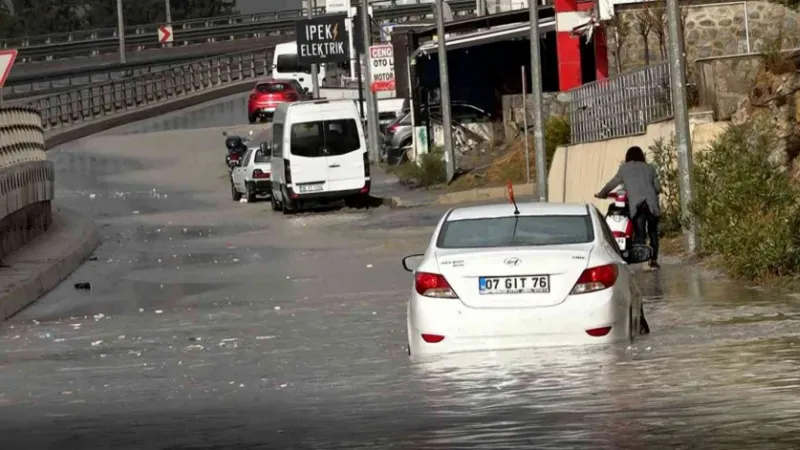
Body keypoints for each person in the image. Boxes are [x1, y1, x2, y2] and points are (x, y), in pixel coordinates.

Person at [594, 146, 661, 269]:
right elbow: (658, 188)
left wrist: (602, 194)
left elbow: (612, 183)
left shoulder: (624, 169)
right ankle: (653, 261)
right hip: (651, 204)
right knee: (653, 232)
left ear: (628, 157)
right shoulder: (650, 168)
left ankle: (640, 259)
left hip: (637, 205)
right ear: (642, 156)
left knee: (640, 232)